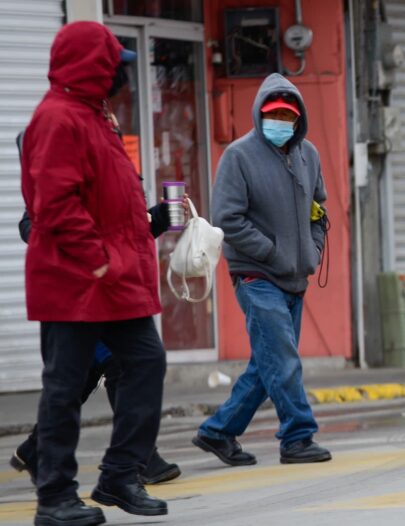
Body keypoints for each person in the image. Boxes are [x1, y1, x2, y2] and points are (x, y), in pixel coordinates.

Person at [22, 21, 169, 525]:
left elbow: (114, 201)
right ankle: (55, 498)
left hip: (114, 280)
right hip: (75, 279)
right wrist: (96, 257)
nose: (119, 73)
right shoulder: (58, 118)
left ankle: (119, 476)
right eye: (114, 63)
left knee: (146, 362)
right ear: (92, 65)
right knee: (65, 388)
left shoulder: (95, 117)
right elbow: (54, 203)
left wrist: (141, 237)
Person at [192, 73, 332, 466]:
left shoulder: (309, 155)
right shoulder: (238, 156)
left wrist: (313, 250)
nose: (280, 122)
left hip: (295, 277)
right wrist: (271, 252)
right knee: (283, 360)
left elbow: (318, 210)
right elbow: (228, 219)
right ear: (259, 114)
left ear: (298, 118)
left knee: (267, 363)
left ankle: (218, 431)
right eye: (273, 114)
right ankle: (298, 437)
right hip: (257, 276)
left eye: (287, 115)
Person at [11, 201, 182, 487]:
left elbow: (127, 233)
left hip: (114, 289)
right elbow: (30, 225)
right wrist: (82, 247)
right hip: (79, 293)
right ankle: (137, 460)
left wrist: (159, 217)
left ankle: (35, 451)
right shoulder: (66, 181)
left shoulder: (119, 177)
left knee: (85, 378)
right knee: (119, 366)